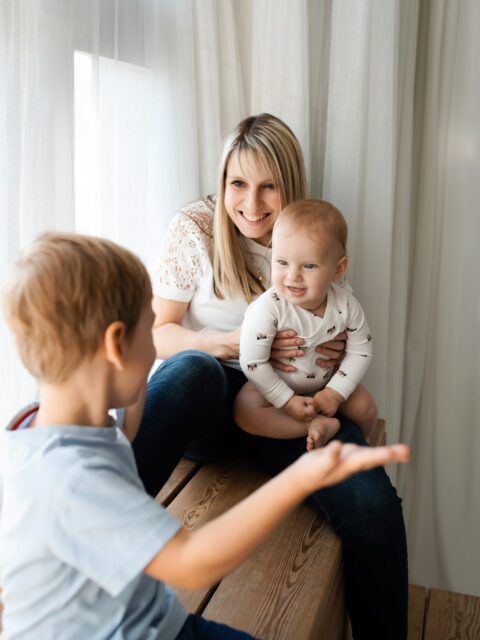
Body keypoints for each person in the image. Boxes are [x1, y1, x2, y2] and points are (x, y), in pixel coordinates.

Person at [0, 232, 409, 640]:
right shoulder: (72, 479)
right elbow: (192, 563)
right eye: (148, 329)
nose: (155, 345)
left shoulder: (49, 421)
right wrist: (302, 476)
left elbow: (125, 430)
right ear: (116, 346)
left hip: (153, 619)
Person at [132, 113, 409, 639]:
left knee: (372, 502)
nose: (252, 204)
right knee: (193, 370)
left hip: (288, 409)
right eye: (238, 183)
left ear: (291, 185)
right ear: (222, 183)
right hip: (212, 404)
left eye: (269, 187)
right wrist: (227, 343)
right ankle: (100, 518)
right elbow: (157, 334)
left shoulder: (308, 236)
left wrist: (329, 359)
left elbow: (341, 326)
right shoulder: (194, 227)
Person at [235, 199, 377, 451]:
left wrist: (335, 392)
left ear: (338, 269)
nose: (293, 276)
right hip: (278, 386)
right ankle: (313, 426)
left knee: (365, 407)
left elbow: (361, 351)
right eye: (282, 262)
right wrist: (286, 401)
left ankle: (357, 451)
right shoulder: (268, 308)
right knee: (245, 409)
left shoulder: (346, 305)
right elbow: (252, 362)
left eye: (309, 266)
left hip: (326, 385)